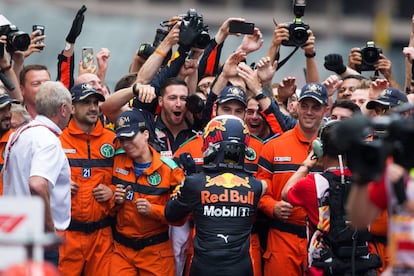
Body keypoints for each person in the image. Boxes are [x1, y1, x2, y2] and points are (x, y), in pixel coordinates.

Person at [165, 115, 267, 276]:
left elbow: (171, 214)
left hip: (204, 268)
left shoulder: (194, 183)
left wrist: (187, 180)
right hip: (241, 269)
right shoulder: (257, 186)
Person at [281, 120, 381, 275]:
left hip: (325, 267)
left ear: (319, 149)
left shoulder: (312, 183)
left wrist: (307, 164)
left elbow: (286, 193)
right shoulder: (369, 180)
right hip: (363, 264)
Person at [257, 82, 329, 276]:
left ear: (326, 110)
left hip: (323, 239)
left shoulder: (333, 150)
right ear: (296, 107)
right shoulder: (274, 146)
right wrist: (272, 207)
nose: (309, 112)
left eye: (316, 107)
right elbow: (258, 189)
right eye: (304, 106)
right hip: (283, 237)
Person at [3, 81, 72, 266]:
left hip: (13, 231)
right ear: (63, 109)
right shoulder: (48, 140)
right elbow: (37, 184)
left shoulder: (19, 133)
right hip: (35, 237)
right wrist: (50, 231)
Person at [110, 109, 184, 276]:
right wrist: (115, 200)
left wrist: (153, 211)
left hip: (155, 252)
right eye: (122, 139)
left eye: (130, 137)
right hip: (121, 251)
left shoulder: (169, 170)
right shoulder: (116, 161)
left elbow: (181, 216)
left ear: (145, 134)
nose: (126, 143)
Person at [58, 83, 115, 275]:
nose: (93, 108)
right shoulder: (58, 141)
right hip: (68, 235)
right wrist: (59, 187)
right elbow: (37, 182)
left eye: (96, 103)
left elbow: (128, 178)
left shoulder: (113, 140)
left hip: (102, 235)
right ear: (72, 108)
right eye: (86, 102)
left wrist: (113, 192)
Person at [0, 93, 20, 195]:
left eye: (9, 109)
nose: (8, 114)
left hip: (11, 208)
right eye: (2, 110)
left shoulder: (18, 141)